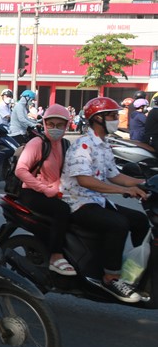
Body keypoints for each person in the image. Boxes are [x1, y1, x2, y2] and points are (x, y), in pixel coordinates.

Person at [61, 97, 149, 303]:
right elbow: (84, 180)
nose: (116, 119)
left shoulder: (104, 145)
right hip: (77, 202)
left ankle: (136, 272)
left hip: (97, 200)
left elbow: (114, 174)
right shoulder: (83, 145)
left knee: (139, 220)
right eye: (112, 115)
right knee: (118, 224)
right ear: (98, 118)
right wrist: (122, 191)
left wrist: (143, 182)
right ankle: (111, 278)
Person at [15, 104, 75, 275]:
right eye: (51, 124)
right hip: (31, 192)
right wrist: (44, 188)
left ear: (66, 125)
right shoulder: (37, 143)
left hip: (55, 191)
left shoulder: (65, 144)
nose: (55, 128)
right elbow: (20, 170)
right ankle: (56, 256)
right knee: (62, 210)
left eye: (59, 125)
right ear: (44, 123)